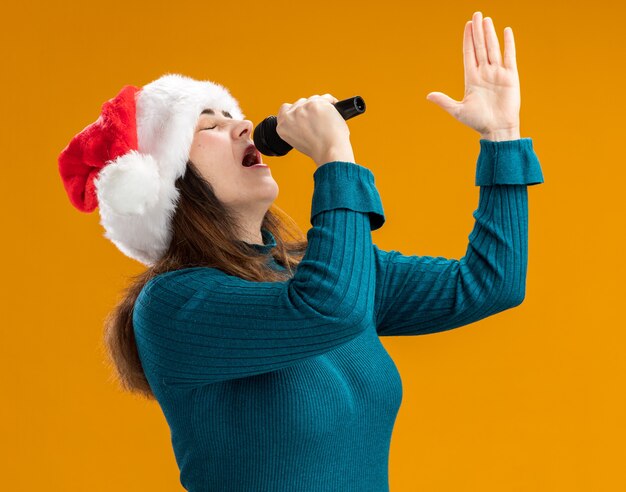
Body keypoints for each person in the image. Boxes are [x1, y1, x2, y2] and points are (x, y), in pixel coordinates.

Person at [57, 11, 544, 492]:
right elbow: (330, 309)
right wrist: (335, 158)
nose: (244, 125)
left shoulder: (314, 268)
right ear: (170, 184)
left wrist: (501, 137)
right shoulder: (173, 305)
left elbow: (490, 284)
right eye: (209, 127)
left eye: (234, 114)